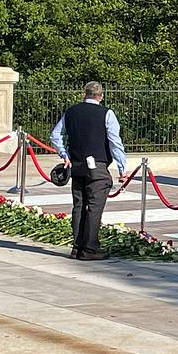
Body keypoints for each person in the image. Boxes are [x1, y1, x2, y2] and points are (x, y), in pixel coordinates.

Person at [50, 81, 127, 261]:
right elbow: (114, 142)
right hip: (98, 166)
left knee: (79, 206)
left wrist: (64, 154)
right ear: (101, 96)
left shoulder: (71, 112)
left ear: (84, 94)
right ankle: (89, 249)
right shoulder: (107, 113)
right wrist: (122, 167)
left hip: (76, 165)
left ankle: (77, 247)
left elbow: (55, 136)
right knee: (94, 207)